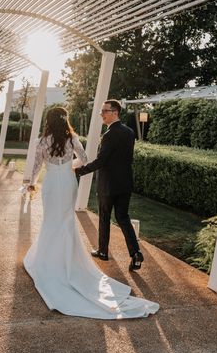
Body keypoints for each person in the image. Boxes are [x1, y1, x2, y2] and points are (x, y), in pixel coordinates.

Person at [23, 106, 158, 319]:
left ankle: (49, 260)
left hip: (50, 183)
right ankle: (70, 260)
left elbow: (37, 166)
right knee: (67, 220)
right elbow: (84, 159)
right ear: (65, 120)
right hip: (68, 182)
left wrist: (30, 183)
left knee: (51, 219)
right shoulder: (72, 138)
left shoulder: (42, 141)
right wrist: (69, 166)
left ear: (48, 120)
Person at [75, 99, 144, 272]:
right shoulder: (129, 132)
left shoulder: (108, 135)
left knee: (105, 217)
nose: (101, 114)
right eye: (101, 111)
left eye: (104, 111)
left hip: (108, 185)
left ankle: (103, 252)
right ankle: (135, 253)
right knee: (123, 218)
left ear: (115, 112)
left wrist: (79, 171)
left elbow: (101, 161)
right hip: (125, 183)